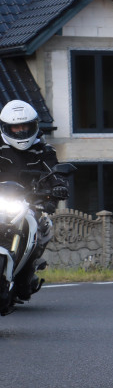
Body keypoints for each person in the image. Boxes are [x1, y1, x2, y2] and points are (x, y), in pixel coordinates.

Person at [0, 100, 68, 300]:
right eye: (16, 127)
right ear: (6, 127)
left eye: (25, 126)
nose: (21, 131)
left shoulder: (44, 151)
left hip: (31, 202)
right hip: (2, 202)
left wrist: (59, 187)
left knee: (42, 225)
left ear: (33, 126)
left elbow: (55, 172)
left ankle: (28, 270)